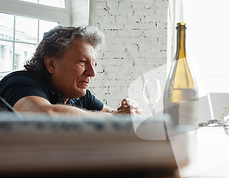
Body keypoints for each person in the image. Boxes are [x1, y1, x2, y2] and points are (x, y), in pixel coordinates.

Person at [0, 26, 142, 116]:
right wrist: (114, 118)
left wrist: (128, 112)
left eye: (93, 64)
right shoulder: (20, 82)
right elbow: (44, 115)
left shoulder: (79, 94)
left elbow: (112, 113)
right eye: (82, 62)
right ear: (51, 64)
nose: (92, 73)